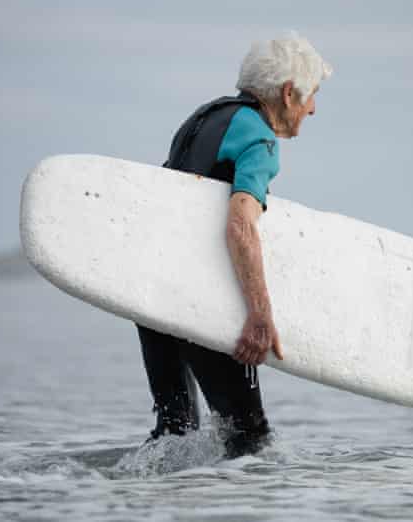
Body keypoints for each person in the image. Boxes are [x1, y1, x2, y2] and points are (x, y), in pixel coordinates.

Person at [136, 32, 332, 458]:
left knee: (174, 435)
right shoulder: (260, 140)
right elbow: (240, 226)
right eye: (312, 95)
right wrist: (260, 316)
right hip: (204, 304)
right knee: (250, 443)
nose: (313, 108)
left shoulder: (202, 119)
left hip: (152, 301)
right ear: (287, 92)